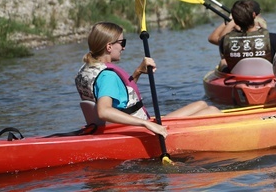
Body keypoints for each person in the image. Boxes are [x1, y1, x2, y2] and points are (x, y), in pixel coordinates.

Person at [75, 22, 219, 137]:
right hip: (133, 130)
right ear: (109, 46)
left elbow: (122, 98)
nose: (124, 48)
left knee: (201, 104)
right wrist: (147, 125)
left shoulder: (88, 68)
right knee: (213, 112)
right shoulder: (107, 76)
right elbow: (104, 111)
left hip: (119, 127)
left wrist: (138, 72)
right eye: (122, 43)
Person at [208, 0, 276, 71]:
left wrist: (231, 23)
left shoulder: (225, 40)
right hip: (267, 77)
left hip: (238, 78)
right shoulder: (273, 38)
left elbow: (218, 40)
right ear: (254, 15)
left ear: (234, 19)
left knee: (223, 62)